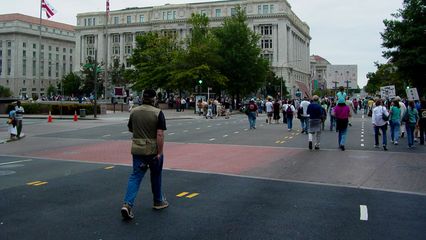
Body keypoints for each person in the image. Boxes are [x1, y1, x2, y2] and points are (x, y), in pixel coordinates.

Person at [121, 89, 168, 220]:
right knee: (156, 175)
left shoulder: (134, 111)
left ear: (142, 98)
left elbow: (131, 128)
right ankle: (158, 201)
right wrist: (160, 152)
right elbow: (159, 134)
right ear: (154, 99)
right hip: (152, 150)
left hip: (138, 149)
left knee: (135, 176)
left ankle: (127, 204)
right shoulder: (158, 113)